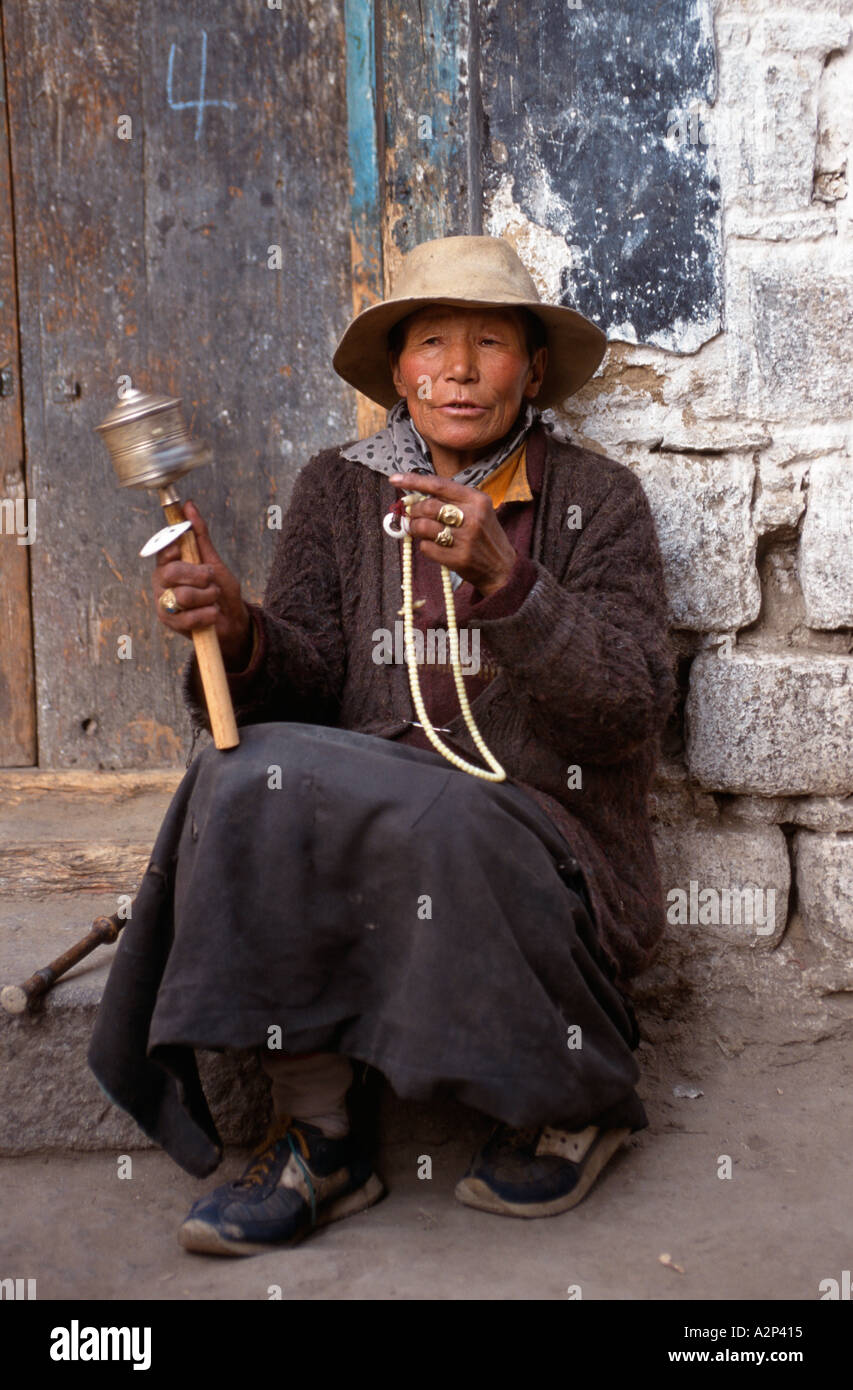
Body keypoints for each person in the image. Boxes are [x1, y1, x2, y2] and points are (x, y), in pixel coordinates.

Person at [88, 234, 676, 1256]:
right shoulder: (337, 488)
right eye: (431, 342)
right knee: (240, 769)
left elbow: (627, 709)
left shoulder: (597, 500)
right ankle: (321, 1135)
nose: (457, 367)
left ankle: (572, 1094)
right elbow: (306, 677)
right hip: (378, 824)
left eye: (489, 343)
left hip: (538, 835)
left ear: (532, 371)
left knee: (439, 812)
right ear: (397, 371)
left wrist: (511, 584)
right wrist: (238, 630)